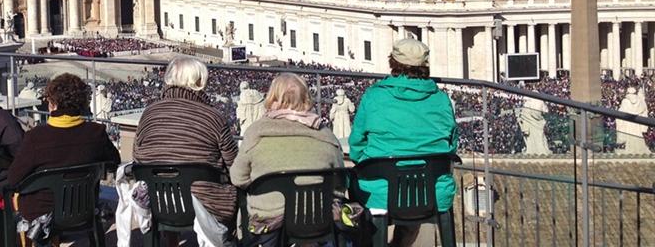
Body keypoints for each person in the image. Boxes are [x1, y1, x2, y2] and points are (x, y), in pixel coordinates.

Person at [349, 38, 458, 247]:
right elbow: (452, 145)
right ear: (425, 66)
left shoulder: (373, 97)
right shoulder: (442, 99)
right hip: (432, 191)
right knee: (414, 195)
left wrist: (367, 162)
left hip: (381, 191)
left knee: (355, 186)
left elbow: (356, 145)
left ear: (393, 62)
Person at [231, 73, 345, 246]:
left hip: (269, 221)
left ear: (272, 98)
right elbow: (340, 181)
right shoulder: (326, 135)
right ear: (306, 98)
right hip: (316, 218)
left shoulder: (255, 133)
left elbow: (238, 178)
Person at [133, 55, 238, 245]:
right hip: (204, 202)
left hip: (159, 201)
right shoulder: (214, 117)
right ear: (199, 82)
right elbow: (234, 164)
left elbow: (137, 157)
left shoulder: (149, 113)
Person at [7, 73, 120, 246]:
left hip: (42, 214)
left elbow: (13, 179)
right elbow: (114, 162)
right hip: (84, 209)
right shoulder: (96, 132)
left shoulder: (36, 137)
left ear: (52, 104)